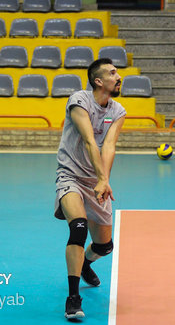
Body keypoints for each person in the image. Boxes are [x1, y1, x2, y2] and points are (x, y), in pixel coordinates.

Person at [54, 58, 126, 320]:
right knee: (79, 227)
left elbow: (108, 146)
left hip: (96, 180)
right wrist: (100, 177)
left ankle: (85, 263)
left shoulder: (118, 111)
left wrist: (103, 180)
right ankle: (73, 298)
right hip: (71, 174)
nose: (119, 77)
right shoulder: (79, 100)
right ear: (98, 81)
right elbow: (88, 140)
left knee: (104, 245)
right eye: (113, 73)